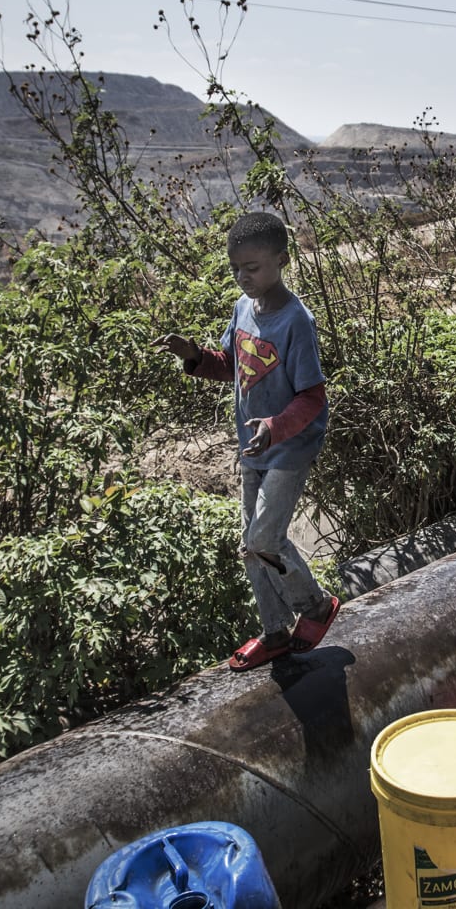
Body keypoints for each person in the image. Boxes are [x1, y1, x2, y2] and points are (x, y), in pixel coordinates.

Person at [157, 211, 340, 671]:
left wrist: (274, 427)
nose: (243, 277)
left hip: (289, 446)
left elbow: (313, 396)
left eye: (252, 268)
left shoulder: (297, 321)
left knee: (264, 536)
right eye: (235, 268)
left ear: (281, 260)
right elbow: (231, 365)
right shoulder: (243, 309)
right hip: (253, 445)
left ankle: (315, 606)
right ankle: (275, 632)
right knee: (250, 541)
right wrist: (196, 356)